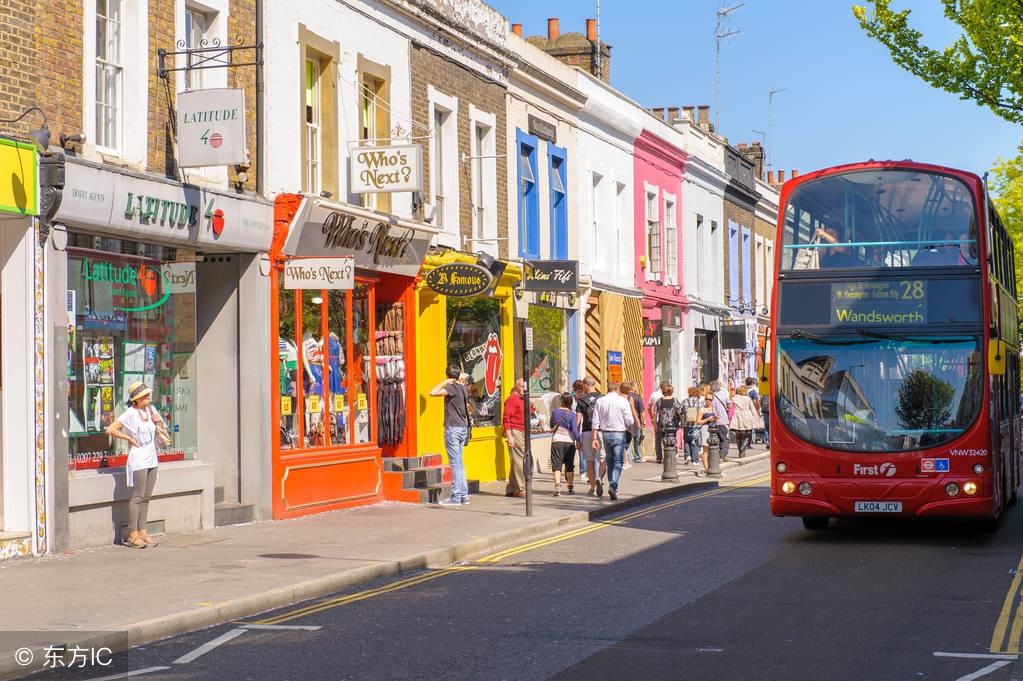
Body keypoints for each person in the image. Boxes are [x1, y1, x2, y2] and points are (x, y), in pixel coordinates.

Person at [105, 381, 170, 548]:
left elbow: (164, 434)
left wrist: (158, 422)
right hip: (139, 458)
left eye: (148, 395)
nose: (148, 397)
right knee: (137, 496)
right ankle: (132, 534)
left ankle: (143, 531)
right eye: (144, 396)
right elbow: (110, 429)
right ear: (136, 399)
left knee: (147, 496)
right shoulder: (130, 414)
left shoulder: (151, 410)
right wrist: (129, 438)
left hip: (152, 457)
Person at [429, 365, 471, 505]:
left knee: (455, 464)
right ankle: (463, 496)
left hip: (453, 429)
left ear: (448, 376)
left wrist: (444, 382)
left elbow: (432, 392)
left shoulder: (452, 388)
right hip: (462, 428)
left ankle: (456, 497)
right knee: (459, 463)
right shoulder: (463, 388)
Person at [591, 381, 635, 502]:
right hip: (619, 433)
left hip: (605, 434)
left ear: (608, 389)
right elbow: (630, 420)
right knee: (618, 462)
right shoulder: (623, 401)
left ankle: (612, 486)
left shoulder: (600, 401)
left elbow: (595, 420)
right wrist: (626, 425)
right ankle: (613, 485)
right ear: (618, 390)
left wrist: (594, 438)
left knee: (609, 461)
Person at [575, 377, 603, 496]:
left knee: (590, 461)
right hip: (600, 431)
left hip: (587, 432)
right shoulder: (602, 398)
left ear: (586, 385)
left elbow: (578, 421)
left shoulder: (581, 401)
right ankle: (600, 478)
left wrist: (577, 437)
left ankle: (592, 487)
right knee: (602, 459)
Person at [549, 392, 580, 496]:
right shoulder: (572, 414)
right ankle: (570, 487)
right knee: (569, 465)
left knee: (556, 465)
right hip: (569, 443)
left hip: (557, 441)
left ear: (561, 401)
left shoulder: (555, 411)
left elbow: (551, 424)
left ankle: (557, 485)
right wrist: (578, 440)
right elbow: (574, 430)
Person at [502, 377, 527, 498]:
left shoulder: (523, 399)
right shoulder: (512, 399)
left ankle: (511, 489)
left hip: (523, 431)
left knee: (516, 460)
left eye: (525, 387)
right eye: (522, 387)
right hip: (515, 431)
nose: (524, 389)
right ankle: (521, 488)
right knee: (519, 460)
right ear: (516, 386)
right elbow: (506, 419)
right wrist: (510, 436)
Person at [728, 385, 762, 458]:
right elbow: (752, 409)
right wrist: (756, 419)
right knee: (746, 434)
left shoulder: (734, 398)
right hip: (746, 415)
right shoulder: (748, 399)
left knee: (738, 435)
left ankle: (740, 451)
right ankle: (743, 449)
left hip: (737, 416)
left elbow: (730, 407)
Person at [653, 384, 682, 464]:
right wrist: (681, 421)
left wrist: (655, 424)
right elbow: (680, 412)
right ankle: (672, 455)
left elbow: (655, 413)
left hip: (662, 424)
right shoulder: (675, 400)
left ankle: (659, 457)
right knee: (672, 439)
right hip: (672, 425)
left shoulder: (659, 401)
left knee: (659, 440)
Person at [680, 386, 704, 465]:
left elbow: (680, 412)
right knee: (695, 442)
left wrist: (682, 420)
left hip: (686, 424)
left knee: (686, 440)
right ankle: (695, 460)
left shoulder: (684, 401)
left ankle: (687, 456)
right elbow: (702, 412)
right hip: (696, 425)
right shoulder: (699, 402)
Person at [647, 381, 670, 463]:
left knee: (658, 440)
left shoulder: (654, 395)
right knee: (667, 438)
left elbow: (649, 407)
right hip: (668, 422)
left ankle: (659, 457)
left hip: (657, 420)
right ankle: (667, 456)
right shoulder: (669, 395)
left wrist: (652, 417)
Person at [709, 379, 732, 461]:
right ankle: (722, 454)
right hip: (723, 420)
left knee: (713, 439)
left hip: (711, 421)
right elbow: (729, 406)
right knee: (724, 439)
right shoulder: (723, 395)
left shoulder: (709, 397)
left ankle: (715, 455)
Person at [695, 393, 718, 475]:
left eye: (710, 399)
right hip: (705, 429)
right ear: (704, 399)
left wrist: (716, 419)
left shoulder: (713, 409)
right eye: (707, 399)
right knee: (705, 450)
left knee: (712, 449)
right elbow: (698, 422)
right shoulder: (702, 409)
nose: (708, 401)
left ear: (712, 400)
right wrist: (707, 419)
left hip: (712, 431)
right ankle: (707, 469)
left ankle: (712, 467)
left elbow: (715, 421)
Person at [625, 380, 646, 464]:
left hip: (627, 421)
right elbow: (642, 411)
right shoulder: (637, 397)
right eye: (636, 386)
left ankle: (629, 458)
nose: (637, 388)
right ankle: (638, 457)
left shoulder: (625, 397)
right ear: (633, 387)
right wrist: (643, 421)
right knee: (637, 440)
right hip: (636, 421)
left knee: (628, 440)